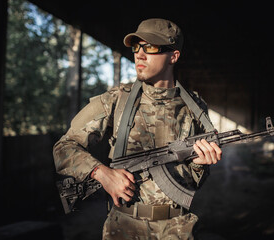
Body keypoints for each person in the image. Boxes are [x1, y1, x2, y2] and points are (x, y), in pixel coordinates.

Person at [53, 18, 222, 240]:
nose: (139, 55)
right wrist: (102, 174)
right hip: (124, 227)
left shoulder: (195, 107)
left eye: (150, 47)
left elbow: (194, 180)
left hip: (177, 229)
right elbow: (64, 147)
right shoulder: (115, 100)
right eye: (136, 47)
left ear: (174, 56)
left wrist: (200, 165)